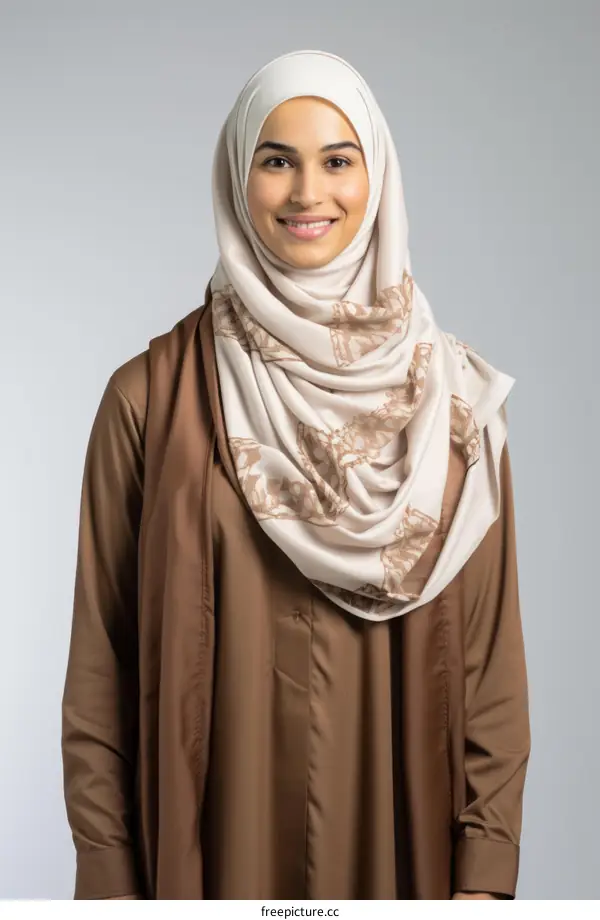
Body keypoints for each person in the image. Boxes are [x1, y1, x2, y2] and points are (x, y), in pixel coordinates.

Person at [61, 50, 530, 900]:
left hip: (404, 858)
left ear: (376, 175)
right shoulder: (149, 402)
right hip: (204, 866)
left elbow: (492, 672)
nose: (309, 192)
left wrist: (485, 884)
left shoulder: (454, 411)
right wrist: (109, 884)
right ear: (238, 181)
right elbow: (101, 667)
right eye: (276, 160)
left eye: (338, 160)